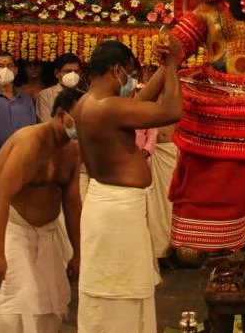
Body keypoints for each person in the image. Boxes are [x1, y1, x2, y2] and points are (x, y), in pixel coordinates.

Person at [73, 38, 183, 332]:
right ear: (117, 69)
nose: (131, 81)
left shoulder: (88, 102)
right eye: (130, 73)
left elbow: (137, 104)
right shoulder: (108, 107)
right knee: (119, 290)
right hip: (117, 211)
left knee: (120, 285)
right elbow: (172, 111)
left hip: (110, 205)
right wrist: (172, 65)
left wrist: (165, 65)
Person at [0, 87, 82, 333]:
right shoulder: (29, 143)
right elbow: (1, 197)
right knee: (18, 296)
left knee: (52, 294)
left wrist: (78, 252)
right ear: (62, 114)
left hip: (44, 229)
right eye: (81, 119)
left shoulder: (73, 151)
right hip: (4, 218)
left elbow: (73, 203)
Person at [146, 122, 179, 263]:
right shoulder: (146, 103)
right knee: (158, 205)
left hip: (176, 149)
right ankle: (160, 250)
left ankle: (177, 247)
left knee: (173, 205)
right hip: (155, 151)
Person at [35, 54, 81, 123]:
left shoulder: (84, 95)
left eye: (76, 71)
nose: (73, 75)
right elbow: (47, 124)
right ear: (57, 73)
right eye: (68, 71)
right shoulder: (45, 95)